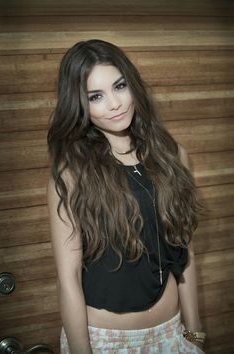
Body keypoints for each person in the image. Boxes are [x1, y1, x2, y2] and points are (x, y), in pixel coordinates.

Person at [47, 39, 206, 354]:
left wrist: (195, 336)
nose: (115, 103)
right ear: (79, 104)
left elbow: (184, 253)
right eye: (96, 96)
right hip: (105, 342)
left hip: (172, 333)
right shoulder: (71, 175)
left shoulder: (174, 156)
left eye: (119, 86)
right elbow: (68, 280)